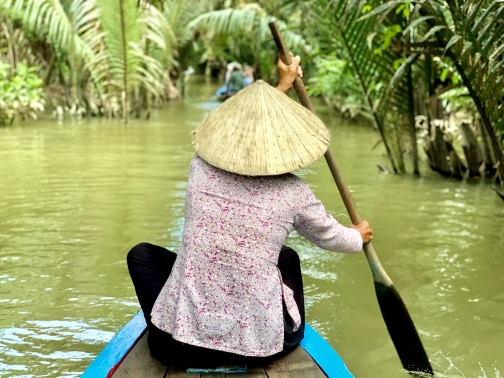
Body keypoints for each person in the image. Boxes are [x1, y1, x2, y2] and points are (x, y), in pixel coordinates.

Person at [127, 54, 373, 369]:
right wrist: (358, 236)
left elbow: (240, 133)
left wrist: (280, 87)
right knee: (288, 258)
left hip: (175, 348)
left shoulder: (200, 169)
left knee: (141, 255)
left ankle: (180, 318)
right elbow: (332, 237)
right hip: (256, 350)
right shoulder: (293, 192)